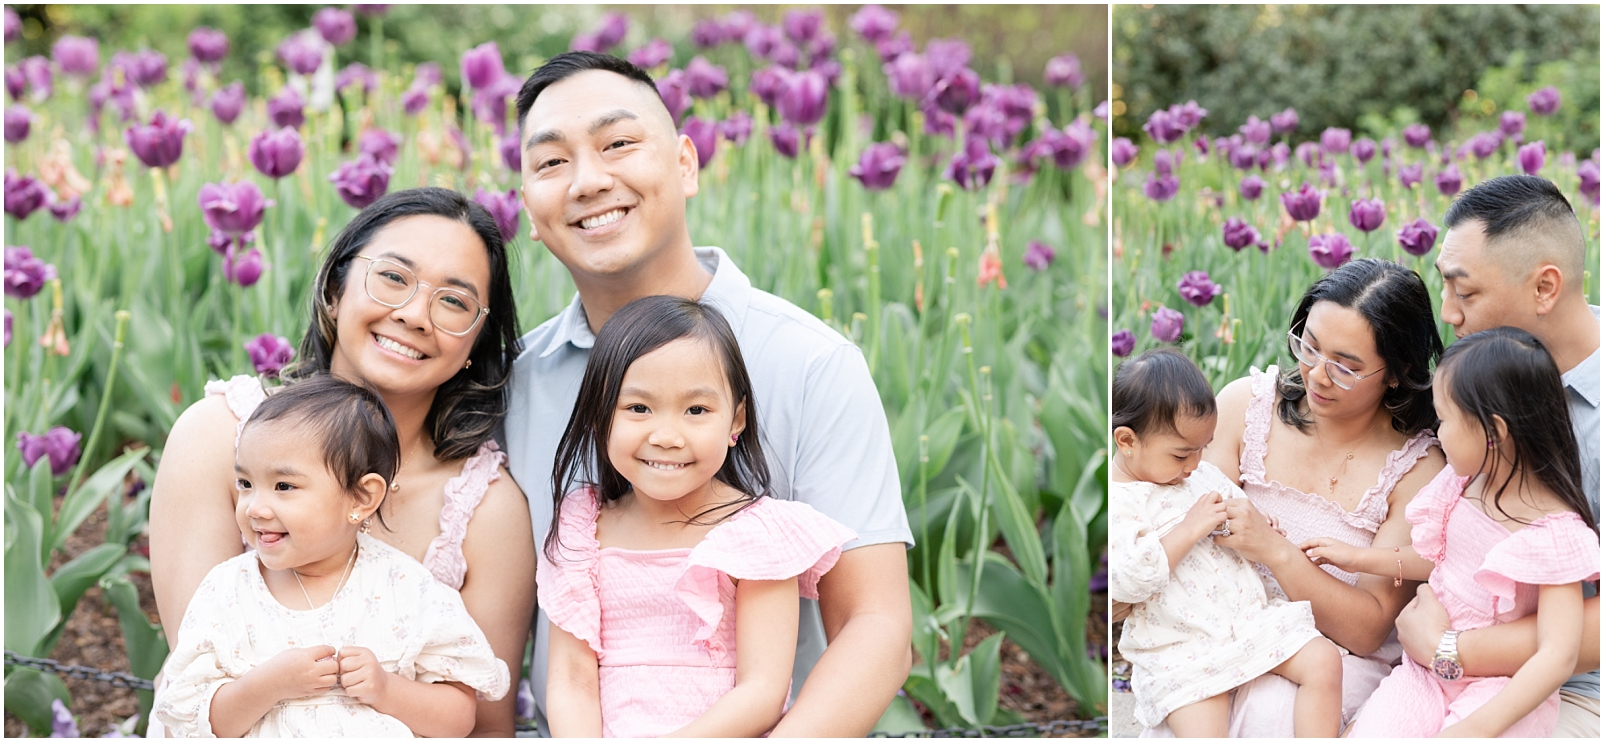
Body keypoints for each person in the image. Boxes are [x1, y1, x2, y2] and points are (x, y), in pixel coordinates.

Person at [504, 51, 913, 736]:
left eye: (619, 144)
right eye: (551, 162)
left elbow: (876, 625)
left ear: (687, 163)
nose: (588, 180)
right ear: (528, 206)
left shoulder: (810, 364)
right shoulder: (517, 380)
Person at [149, 188, 536, 736]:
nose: (414, 315)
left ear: (475, 339)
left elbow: (484, 726)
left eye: (453, 302)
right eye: (393, 278)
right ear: (335, 288)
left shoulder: (485, 508)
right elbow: (199, 685)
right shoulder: (218, 437)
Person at [1122, 259, 1446, 737]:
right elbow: (1160, 513)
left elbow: (1367, 629)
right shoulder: (1243, 408)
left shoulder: (1416, 469)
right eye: (1308, 348)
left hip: (1331, 655)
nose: (1316, 375)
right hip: (1209, 632)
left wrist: (1275, 551)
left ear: (1396, 373)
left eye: (1345, 367)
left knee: (1270, 710)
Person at [537, 296, 857, 737]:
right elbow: (571, 680)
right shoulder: (582, 528)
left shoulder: (759, 537)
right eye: (638, 408)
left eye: (696, 410)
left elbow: (762, 691)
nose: (667, 436)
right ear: (599, 415)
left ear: (736, 419)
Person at [155, 376, 509, 737]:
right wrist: (268, 685)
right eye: (246, 484)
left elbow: (459, 719)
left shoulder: (406, 589)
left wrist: (387, 689)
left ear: (361, 498)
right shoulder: (227, 592)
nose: (255, 508)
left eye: (284, 486)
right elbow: (190, 720)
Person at [1305, 328, 1600, 737]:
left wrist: (1473, 730)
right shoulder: (1462, 484)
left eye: (1443, 420)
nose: (1437, 434)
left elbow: (1556, 656)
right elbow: (1437, 558)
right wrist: (1356, 557)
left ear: (1493, 432)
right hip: (1423, 674)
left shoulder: (1553, 533)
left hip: (1501, 688)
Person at [1395, 174, 1602, 737]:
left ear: (1544, 288)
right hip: (1432, 666)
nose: (1449, 314)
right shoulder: (1471, 383)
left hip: (1575, 693)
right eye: (1445, 288)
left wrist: (1450, 649)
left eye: (1466, 292)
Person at [1110, 349, 1341, 737]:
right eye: (1183, 452)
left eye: (1204, 447)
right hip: (1180, 646)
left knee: (1323, 661)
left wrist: (1256, 521)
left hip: (1244, 620)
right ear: (1128, 441)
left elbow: (1234, 503)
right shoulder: (1119, 501)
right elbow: (1125, 581)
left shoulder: (1197, 475)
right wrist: (1187, 528)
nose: (1196, 463)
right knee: (1205, 729)